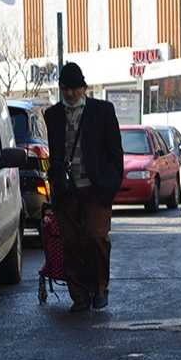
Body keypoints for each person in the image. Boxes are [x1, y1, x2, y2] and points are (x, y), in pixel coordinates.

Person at [45, 62, 123, 313]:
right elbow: (55, 154)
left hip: (95, 189)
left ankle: (100, 288)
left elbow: (115, 154)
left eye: (75, 88)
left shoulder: (102, 111)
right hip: (66, 191)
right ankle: (79, 296)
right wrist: (55, 181)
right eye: (65, 88)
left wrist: (109, 187)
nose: (70, 93)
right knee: (71, 243)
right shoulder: (52, 115)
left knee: (96, 238)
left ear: (84, 88)